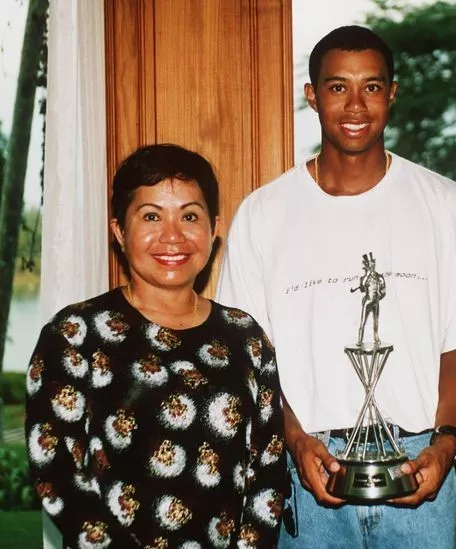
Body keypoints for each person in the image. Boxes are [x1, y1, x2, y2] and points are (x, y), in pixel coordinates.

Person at [216, 25, 456, 549]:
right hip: (309, 473)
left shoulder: (446, 204)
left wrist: (445, 444)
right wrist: (295, 440)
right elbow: (245, 356)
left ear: (392, 93)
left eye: (371, 86)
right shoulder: (264, 214)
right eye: (338, 87)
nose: (355, 105)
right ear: (312, 95)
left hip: (420, 469)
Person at [25, 144, 286, 548]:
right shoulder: (74, 335)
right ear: (119, 230)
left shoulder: (246, 337)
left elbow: (268, 472)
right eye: (151, 216)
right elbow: (56, 470)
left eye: (189, 216)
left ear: (213, 229)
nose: (172, 236)